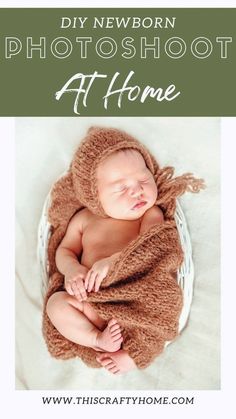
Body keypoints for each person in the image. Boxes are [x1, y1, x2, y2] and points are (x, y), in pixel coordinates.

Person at [46, 147, 164, 374]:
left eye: (143, 178)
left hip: (130, 302)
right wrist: (72, 269)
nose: (138, 191)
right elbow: (65, 250)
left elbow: (151, 249)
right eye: (121, 188)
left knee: (155, 314)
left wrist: (115, 261)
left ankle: (132, 354)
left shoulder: (151, 214)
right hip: (89, 303)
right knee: (57, 304)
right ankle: (96, 339)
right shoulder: (84, 219)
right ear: (94, 195)